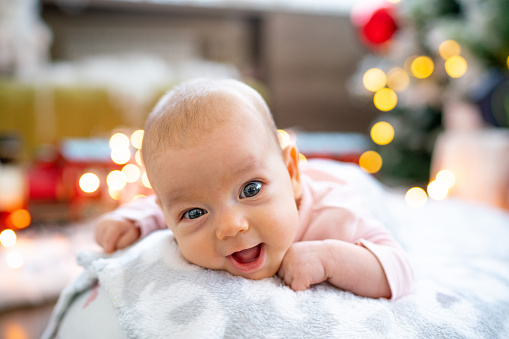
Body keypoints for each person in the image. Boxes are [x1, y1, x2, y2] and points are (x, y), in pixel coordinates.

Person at [95, 78, 414, 300]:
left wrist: (330, 258)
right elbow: (158, 206)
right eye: (195, 212)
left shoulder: (337, 215)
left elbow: (400, 271)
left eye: (250, 190)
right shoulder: (182, 199)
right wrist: (133, 219)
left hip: (345, 180)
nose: (230, 226)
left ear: (290, 173)